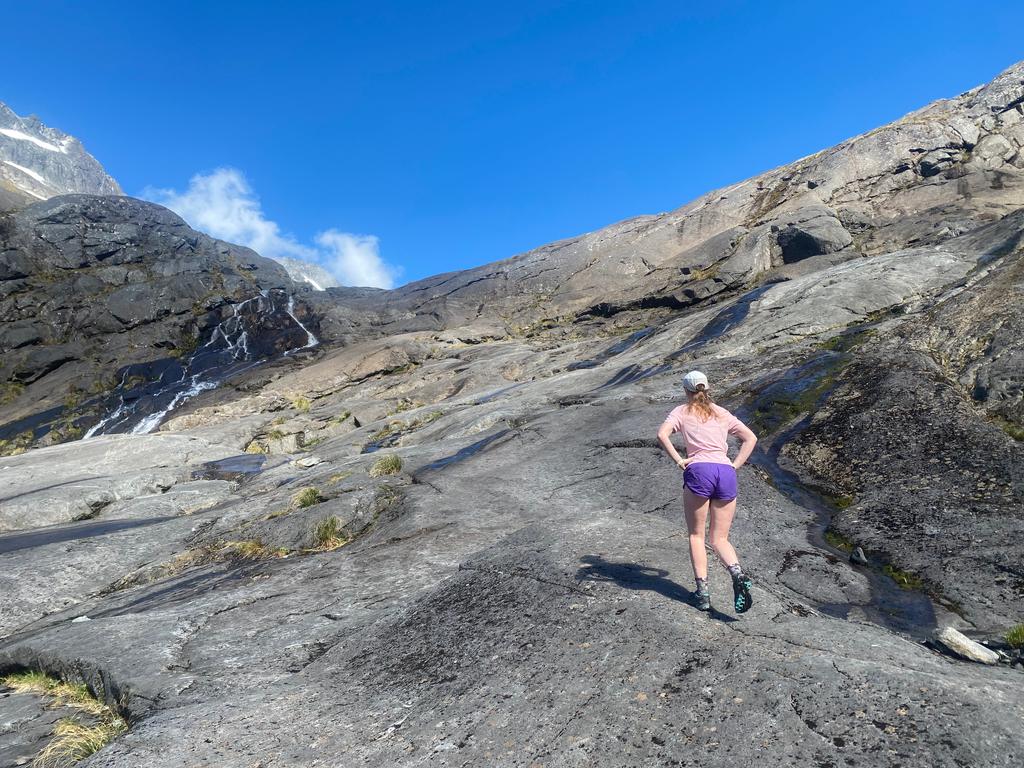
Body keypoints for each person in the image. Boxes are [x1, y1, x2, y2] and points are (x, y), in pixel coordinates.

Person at [657, 370, 758, 613]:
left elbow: (662, 434)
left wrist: (680, 460)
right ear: (707, 388)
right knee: (720, 538)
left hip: (699, 470)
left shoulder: (681, 411)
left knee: (696, 536)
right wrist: (735, 464)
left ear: (686, 390)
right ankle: (737, 572)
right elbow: (750, 438)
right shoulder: (721, 412)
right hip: (725, 472)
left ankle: (702, 594)